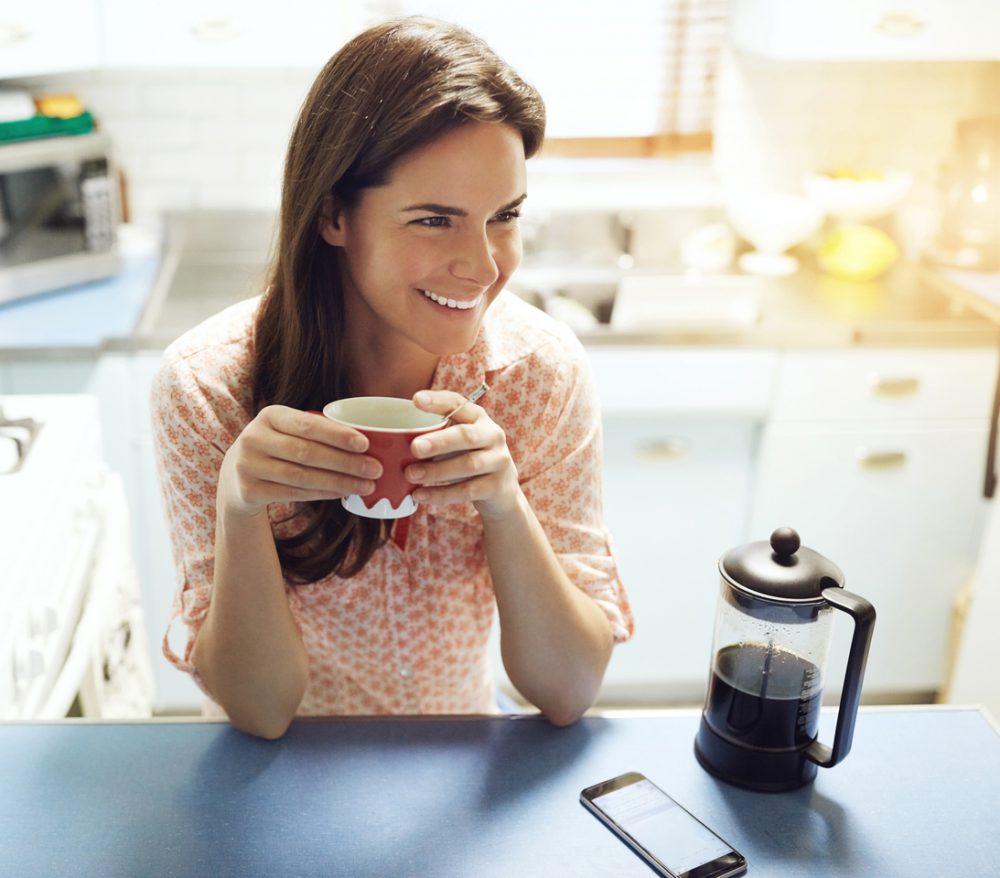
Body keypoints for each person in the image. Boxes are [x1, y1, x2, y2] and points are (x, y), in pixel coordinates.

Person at [151, 16, 633, 740]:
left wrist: (504, 504)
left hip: (453, 763)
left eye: (504, 217)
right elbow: (260, 709)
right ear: (333, 215)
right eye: (435, 220)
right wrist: (241, 505)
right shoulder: (206, 388)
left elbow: (566, 691)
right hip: (276, 776)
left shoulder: (539, 375)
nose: (483, 265)